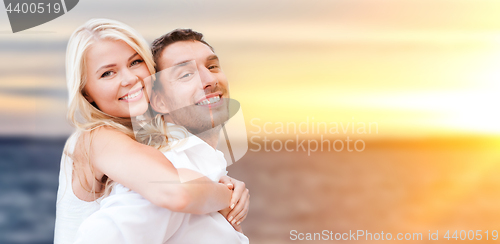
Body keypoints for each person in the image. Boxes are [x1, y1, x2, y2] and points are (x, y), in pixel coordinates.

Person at [54, 19, 248, 244]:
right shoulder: (96, 138)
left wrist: (218, 181)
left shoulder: (149, 141)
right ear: (86, 92)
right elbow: (176, 192)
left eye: (135, 62)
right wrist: (227, 194)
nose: (130, 79)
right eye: (107, 73)